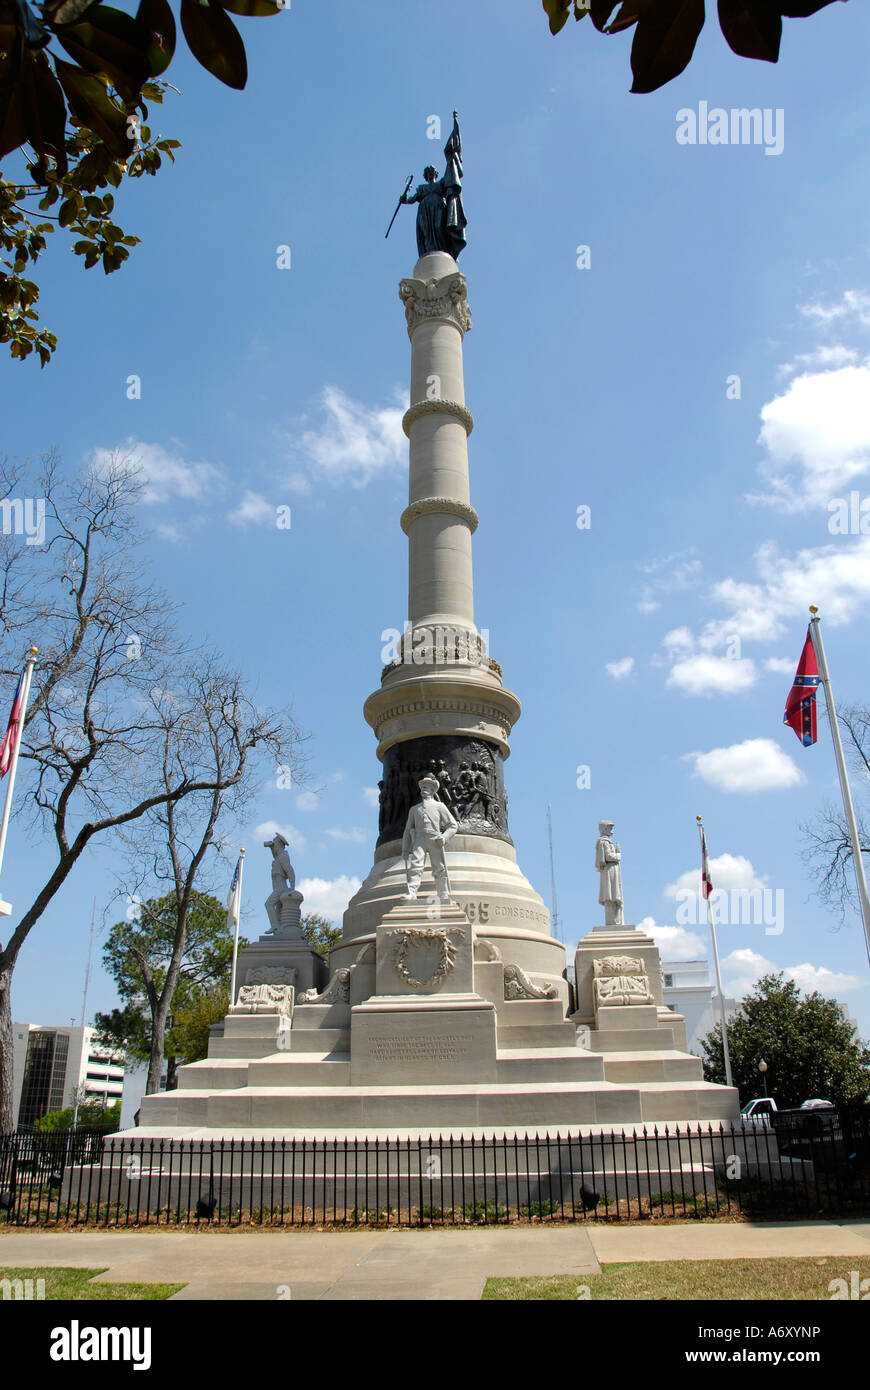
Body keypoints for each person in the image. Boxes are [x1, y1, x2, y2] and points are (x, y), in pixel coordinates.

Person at [402, 775, 458, 903]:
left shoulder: (440, 806)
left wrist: (444, 837)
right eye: (422, 787)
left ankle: (443, 893)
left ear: (433, 790)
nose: (423, 789)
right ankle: (411, 891)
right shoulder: (414, 809)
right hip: (419, 839)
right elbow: (407, 830)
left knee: (439, 867)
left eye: (426, 786)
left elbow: (453, 825)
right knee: (415, 865)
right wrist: (405, 849)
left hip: (435, 838)